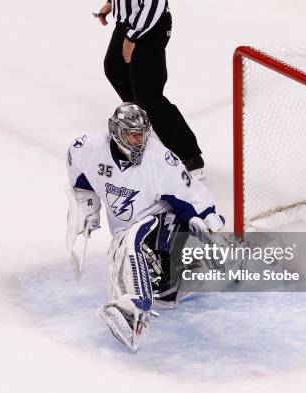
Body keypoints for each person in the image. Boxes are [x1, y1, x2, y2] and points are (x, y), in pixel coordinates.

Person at [66, 103, 224, 352]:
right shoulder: (89, 148)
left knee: (134, 238)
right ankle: (154, 291)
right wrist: (88, 204)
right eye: (132, 134)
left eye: (142, 133)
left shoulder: (160, 159)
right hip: (126, 233)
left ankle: (135, 306)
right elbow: (77, 168)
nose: (139, 140)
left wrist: (207, 219)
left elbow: (189, 194)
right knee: (163, 290)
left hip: (162, 224)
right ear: (116, 132)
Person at [95, 0, 206, 179]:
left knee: (149, 95)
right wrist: (111, 4)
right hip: (128, 24)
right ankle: (142, 118)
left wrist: (132, 38)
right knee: (114, 67)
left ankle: (190, 156)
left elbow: (155, 4)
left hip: (150, 27)